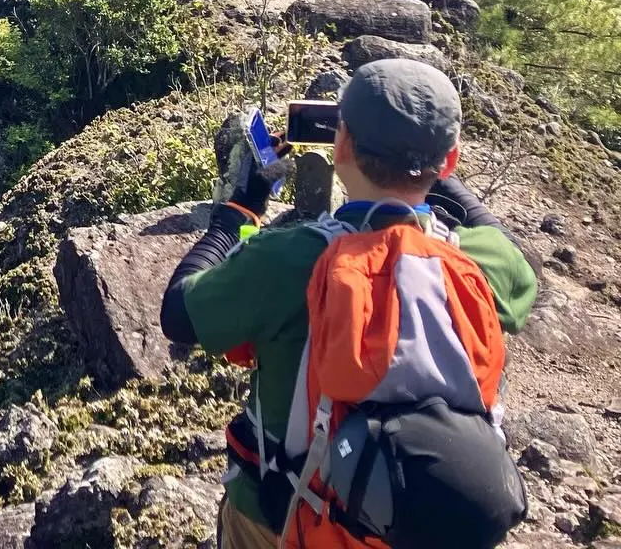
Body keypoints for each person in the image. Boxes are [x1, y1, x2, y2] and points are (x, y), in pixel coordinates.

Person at [160, 60, 537, 549]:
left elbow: (179, 313)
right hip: (422, 520)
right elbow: (502, 242)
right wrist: (423, 168)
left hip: (284, 516)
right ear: (449, 161)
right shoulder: (479, 259)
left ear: (340, 148)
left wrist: (238, 211)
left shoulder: (291, 257)